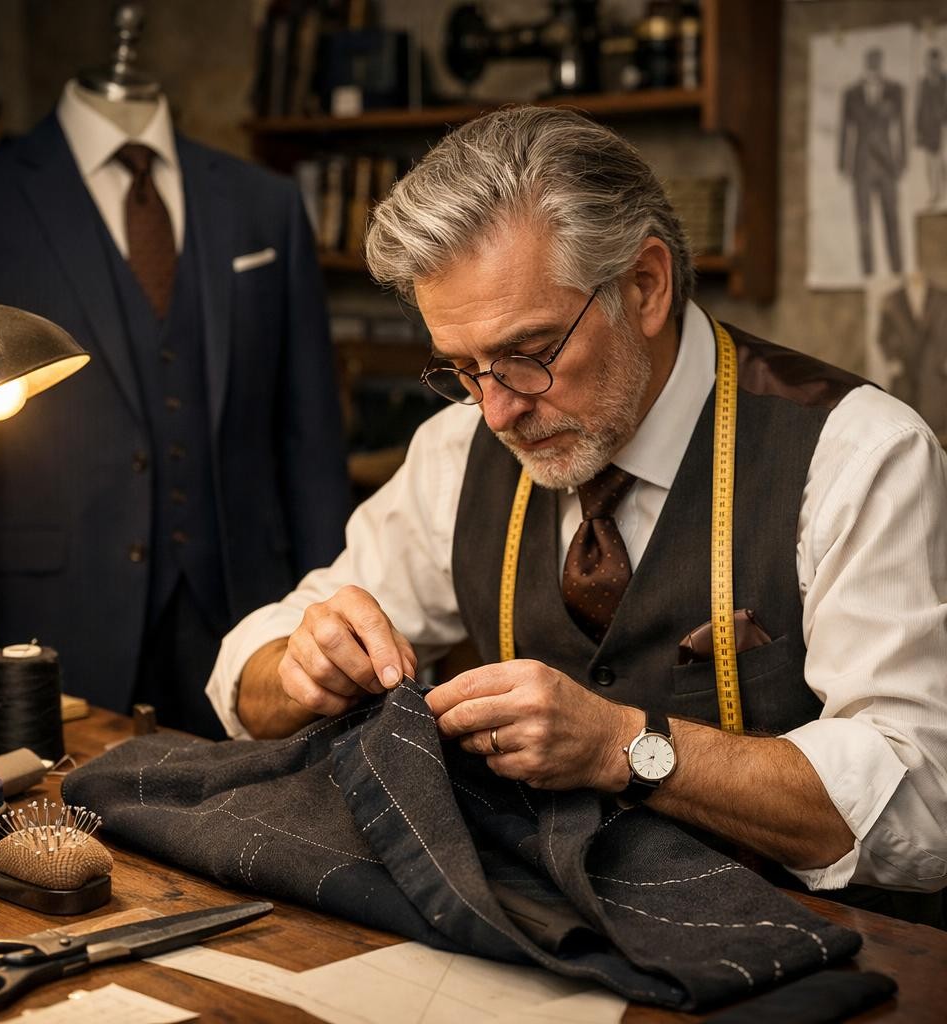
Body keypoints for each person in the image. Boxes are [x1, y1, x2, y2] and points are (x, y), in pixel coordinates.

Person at [208, 106, 947, 924]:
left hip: (817, 947)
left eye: (527, 354)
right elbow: (245, 675)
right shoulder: (458, 452)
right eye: (462, 369)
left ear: (646, 285)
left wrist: (619, 746)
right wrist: (303, 668)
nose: (496, 411)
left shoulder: (858, 455)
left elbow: (922, 806)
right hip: (557, 937)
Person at [0, 76, 349, 737]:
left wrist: (336, 611)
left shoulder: (264, 202)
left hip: (251, 606)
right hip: (56, 610)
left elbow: (311, 434)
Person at [838, 47, 906, 275]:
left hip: (887, 165)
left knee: (892, 219)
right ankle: (867, 273)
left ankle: (897, 270)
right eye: (871, 62)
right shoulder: (851, 94)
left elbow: (901, 127)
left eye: (877, 62)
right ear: (866, 64)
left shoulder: (895, 90)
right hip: (862, 165)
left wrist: (901, 161)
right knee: (864, 223)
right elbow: (845, 130)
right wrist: (844, 163)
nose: (874, 66)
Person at [915, 47, 947, 208]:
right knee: (931, 163)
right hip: (929, 130)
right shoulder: (923, 83)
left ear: (941, 62)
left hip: (944, 128)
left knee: (943, 160)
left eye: (936, 62)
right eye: (930, 63)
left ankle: (944, 193)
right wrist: (918, 131)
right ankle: (935, 194)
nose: (933, 66)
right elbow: (919, 108)